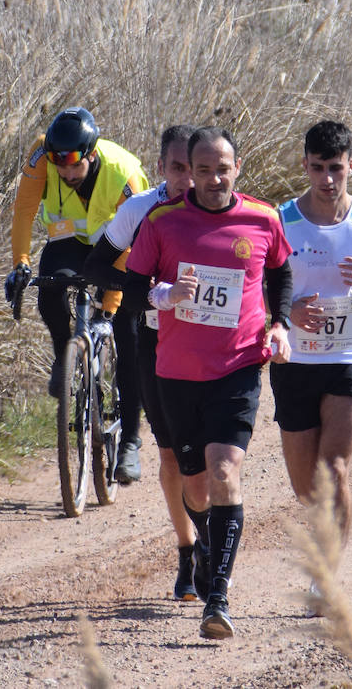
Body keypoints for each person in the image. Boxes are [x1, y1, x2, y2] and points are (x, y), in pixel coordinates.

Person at [123, 127, 293, 640]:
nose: (214, 179)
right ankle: (204, 547)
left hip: (239, 365)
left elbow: (282, 272)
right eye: (203, 170)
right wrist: (166, 295)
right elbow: (132, 292)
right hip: (176, 372)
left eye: (223, 169)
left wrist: (279, 323)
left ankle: (217, 594)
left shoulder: (263, 218)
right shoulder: (162, 221)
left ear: (236, 168)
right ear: (187, 173)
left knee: (224, 472)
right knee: (194, 487)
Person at [272, 120, 352, 575]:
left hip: (350, 358)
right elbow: (256, 295)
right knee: (307, 488)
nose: (327, 180)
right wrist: (289, 312)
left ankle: (326, 576)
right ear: (304, 166)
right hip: (295, 360)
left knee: (334, 472)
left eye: (336, 169)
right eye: (317, 168)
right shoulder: (281, 221)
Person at [83, 124, 203, 602]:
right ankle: (188, 551)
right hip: (158, 344)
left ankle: (214, 544)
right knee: (172, 455)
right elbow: (96, 266)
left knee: (216, 457)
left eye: (195, 170)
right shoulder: (140, 209)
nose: (187, 181)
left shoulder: (228, 210)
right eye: (177, 169)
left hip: (214, 351)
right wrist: (149, 293)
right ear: (161, 168)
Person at [5, 107, 150, 481]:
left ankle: (131, 441)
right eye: (61, 167)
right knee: (49, 289)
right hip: (69, 242)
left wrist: (110, 309)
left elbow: (139, 242)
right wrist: (21, 261)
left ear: (91, 154)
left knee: (127, 334)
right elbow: (23, 211)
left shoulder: (123, 174)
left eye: (74, 167)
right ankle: (64, 359)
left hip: (120, 249)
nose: (66, 175)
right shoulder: (44, 155)